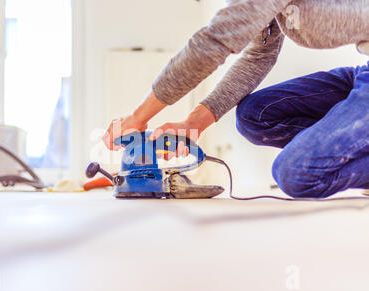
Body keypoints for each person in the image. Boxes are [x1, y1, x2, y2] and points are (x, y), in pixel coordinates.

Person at [103, 0, 369, 198]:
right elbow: (259, 56)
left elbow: (212, 43)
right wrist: (193, 122)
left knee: (296, 173)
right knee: (255, 115)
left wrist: (138, 118)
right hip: (362, 73)